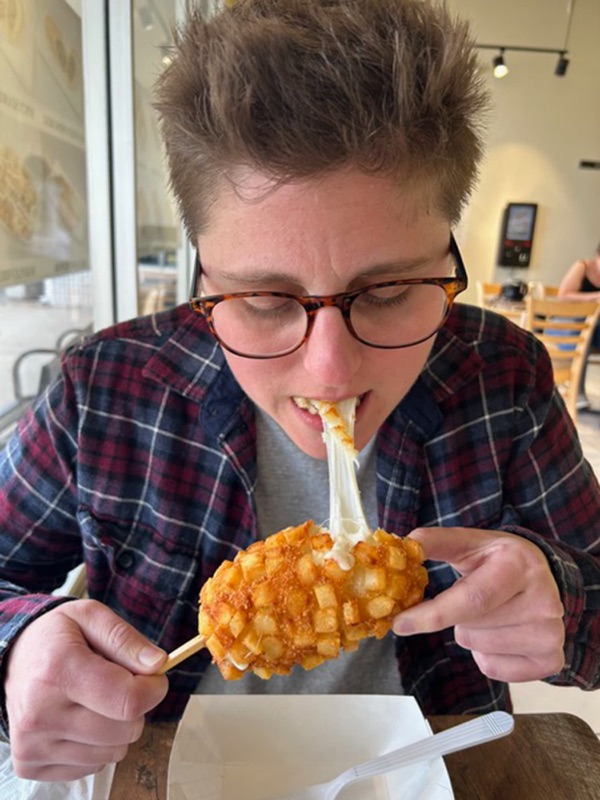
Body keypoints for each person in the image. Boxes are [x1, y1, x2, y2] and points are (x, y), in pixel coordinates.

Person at [0, 0, 599, 783]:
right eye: (264, 301)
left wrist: (562, 600)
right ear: (201, 276)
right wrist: (19, 653)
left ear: (449, 252)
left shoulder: (505, 379)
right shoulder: (103, 391)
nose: (330, 373)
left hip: (423, 769)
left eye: (388, 292)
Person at [557, 243, 600, 407]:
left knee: (590, 330)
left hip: (593, 325)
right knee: (585, 334)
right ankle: (577, 391)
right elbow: (564, 295)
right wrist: (595, 297)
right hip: (567, 323)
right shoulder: (582, 266)